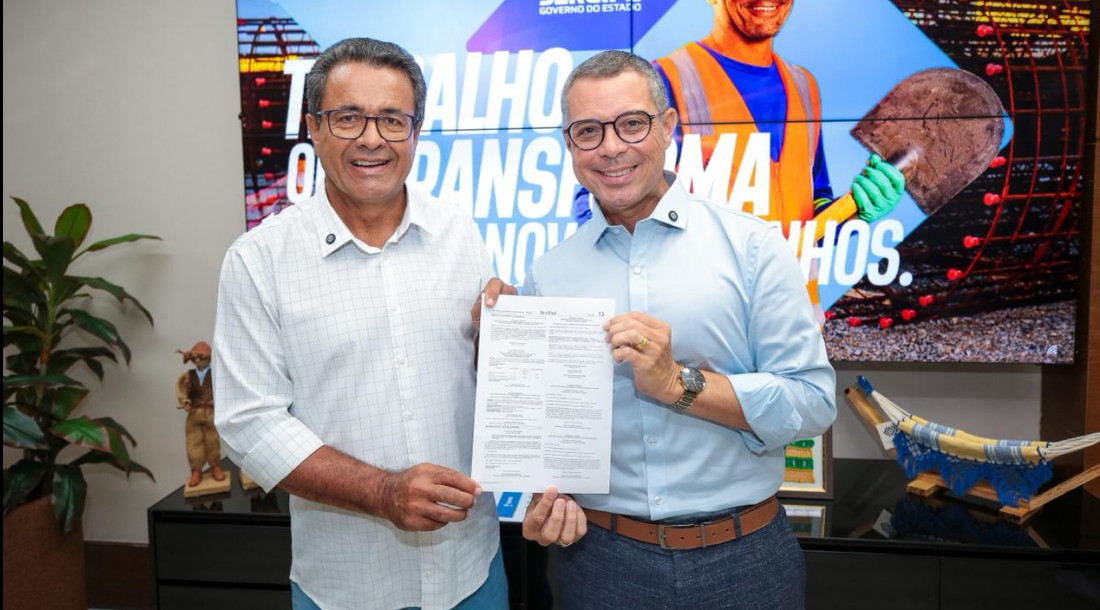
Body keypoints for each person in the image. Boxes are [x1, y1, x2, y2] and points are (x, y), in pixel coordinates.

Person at [479, 51, 836, 608]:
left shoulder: (752, 247)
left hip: (744, 559)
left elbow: (812, 402)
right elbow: (550, 441)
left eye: (632, 124)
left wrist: (677, 384)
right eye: (588, 131)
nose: (611, 147)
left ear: (667, 127)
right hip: (599, 562)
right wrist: (503, 353)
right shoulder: (549, 274)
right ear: (569, 144)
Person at [214, 38, 506, 610]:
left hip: (472, 567)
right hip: (346, 585)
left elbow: (477, 379)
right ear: (313, 127)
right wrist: (384, 491)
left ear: (415, 131)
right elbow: (250, 425)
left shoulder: (460, 233)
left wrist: (506, 341)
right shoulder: (258, 261)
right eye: (348, 117)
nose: (372, 138)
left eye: (392, 120)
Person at [573, 0, 905, 321]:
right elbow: (598, 202)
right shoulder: (667, 80)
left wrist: (856, 210)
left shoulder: (804, 86)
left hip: (795, 326)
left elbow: (811, 210)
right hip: (700, 333)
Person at [175, 341, 226, 488]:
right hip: (194, 413)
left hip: (211, 412)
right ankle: (196, 470)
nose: (198, 360)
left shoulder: (216, 375)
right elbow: (181, 388)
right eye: (195, 357)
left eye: (202, 357)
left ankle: (215, 466)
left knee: (213, 440)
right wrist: (184, 400)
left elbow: (223, 390)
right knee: (193, 441)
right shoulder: (188, 376)